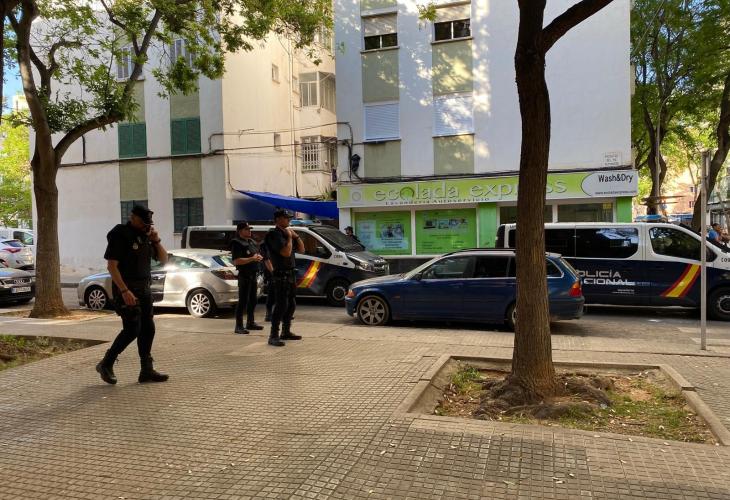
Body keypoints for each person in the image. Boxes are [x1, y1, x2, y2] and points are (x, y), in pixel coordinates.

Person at [95, 205, 169, 385]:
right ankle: (106, 363)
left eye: (148, 223)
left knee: (148, 328)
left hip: (144, 288)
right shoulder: (120, 234)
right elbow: (111, 266)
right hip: (126, 289)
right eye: (143, 222)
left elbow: (163, 259)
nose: (146, 226)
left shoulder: (146, 236)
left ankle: (146, 370)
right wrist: (124, 291)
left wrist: (156, 240)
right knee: (132, 329)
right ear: (133, 217)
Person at [264, 209, 304, 347]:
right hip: (280, 275)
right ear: (278, 219)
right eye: (286, 218)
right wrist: (289, 238)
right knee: (281, 305)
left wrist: (296, 236)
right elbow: (286, 253)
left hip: (290, 274)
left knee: (291, 304)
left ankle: (286, 331)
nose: (289, 220)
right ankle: (273, 335)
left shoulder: (287, 233)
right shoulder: (273, 234)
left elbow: (302, 249)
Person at [231, 221, 264, 334]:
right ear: (240, 231)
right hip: (244, 275)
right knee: (243, 301)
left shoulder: (251, 242)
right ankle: (238, 326)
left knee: (253, 300)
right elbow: (236, 261)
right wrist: (252, 259)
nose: (249, 231)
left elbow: (255, 254)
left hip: (253, 274)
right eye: (247, 229)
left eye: (250, 229)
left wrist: (258, 257)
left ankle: (250, 322)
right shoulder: (236, 243)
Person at [258, 239, 275, 321]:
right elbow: (266, 260)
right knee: (272, 294)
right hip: (271, 273)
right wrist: (273, 273)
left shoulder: (277, 241)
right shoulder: (265, 244)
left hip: (277, 270)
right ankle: (269, 314)